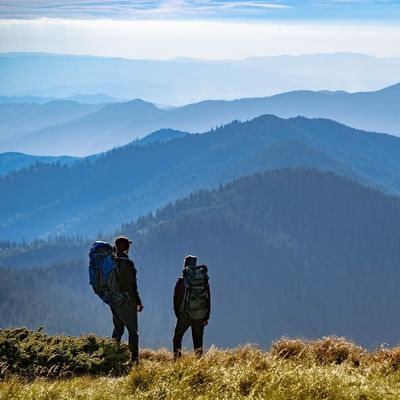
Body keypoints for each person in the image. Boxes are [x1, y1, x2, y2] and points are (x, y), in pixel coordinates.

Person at [110, 236, 144, 364]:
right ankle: (134, 361)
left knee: (118, 329)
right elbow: (132, 285)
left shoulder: (112, 262)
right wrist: (138, 302)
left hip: (114, 300)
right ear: (127, 248)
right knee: (133, 332)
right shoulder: (128, 264)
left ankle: (112, 356)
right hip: (127, 301)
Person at [173, 255, 210, 359]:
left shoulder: (181, 281)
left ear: (185, 265)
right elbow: (208, 298)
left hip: (184, 315)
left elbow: (176, 300)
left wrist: (178, 314)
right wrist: (206, 316)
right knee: (198, 342)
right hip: (200, 315)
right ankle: (199, 364)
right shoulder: (203, 280)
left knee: (177, 338)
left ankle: (177, 362)